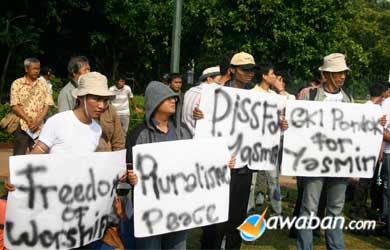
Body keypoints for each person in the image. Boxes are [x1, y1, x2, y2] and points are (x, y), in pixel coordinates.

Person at [5, 72, 138, 249]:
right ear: (82, 97)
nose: (102, 105)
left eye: (105, 100)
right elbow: (39, 151)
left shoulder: (96, 129)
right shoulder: (58, 121)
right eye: (96, 99)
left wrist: (115, 174)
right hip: (54, 204)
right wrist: (17, 174)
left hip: (80, 209)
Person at [125, 81, 193, 249]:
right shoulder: (138, 134)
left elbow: (195, 164)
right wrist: (131, 177)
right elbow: (127, 168)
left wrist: (221, 163)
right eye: (168, 98)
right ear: (155, 102)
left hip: (178, 209)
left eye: (175, 99)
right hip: (149, 212)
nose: (174, 101)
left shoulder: (183, 131)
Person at [296, 53, 353, 250]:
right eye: (338, 73)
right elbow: (297, 126)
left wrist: (373, 125)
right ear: (327, 74)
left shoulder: (349, 100)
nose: (342, 76)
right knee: (309, 208)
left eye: (344, 73)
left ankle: (336, 247)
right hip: (314, 162)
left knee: (336, 209)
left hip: (339, 164)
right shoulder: (309, 95)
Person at [349, 81, 389, 220]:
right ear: (382, 92)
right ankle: (355, 210)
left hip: (374, 151)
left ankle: (360, 207)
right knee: (363, 182)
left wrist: (379, 151)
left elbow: (378, 133)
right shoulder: (366, 108)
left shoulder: (378, 108)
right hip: (365, 150)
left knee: (368, 182)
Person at [10, 57, 54, 155]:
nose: (36, 71)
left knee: (39, 158)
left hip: (40, 129)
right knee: (19, 157)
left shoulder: (43, 84)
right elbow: (15, 105)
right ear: (26, 69)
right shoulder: (17, 84)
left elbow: (47, 105)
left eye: (38, 69)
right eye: (34, 69)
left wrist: (38, 121)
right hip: (22, 127)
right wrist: (28, 120)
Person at [182, 66, 222, 135]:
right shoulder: (208, 94)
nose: (221, 84)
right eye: (219, 81)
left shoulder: (189, 91)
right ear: (209, 79)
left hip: (186, 134)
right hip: (199, 137)